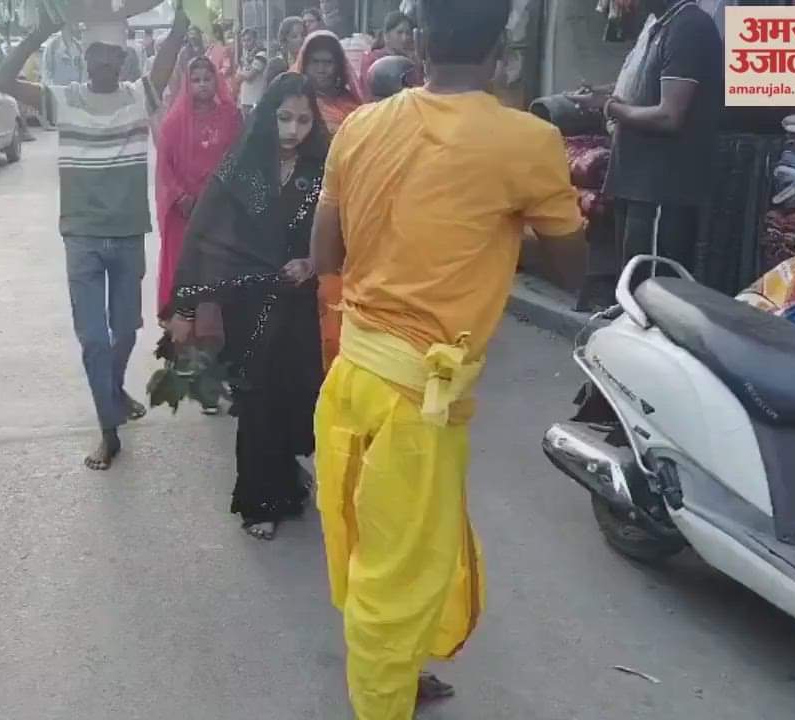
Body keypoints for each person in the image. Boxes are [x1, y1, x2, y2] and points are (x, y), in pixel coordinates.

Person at [310, 0, 584, 716]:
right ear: (504, 54)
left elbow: (323, 257)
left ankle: (397, 670)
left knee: (376, 543)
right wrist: (491, 227)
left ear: (419, 42)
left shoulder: (359, 127)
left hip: (352, 376)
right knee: (397, 573)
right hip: (415, 403)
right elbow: (569, 270)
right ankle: (382, 699)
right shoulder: (526, 141)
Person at [0, 10, 189, 470]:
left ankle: (114, 390)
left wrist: (182, 20)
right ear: (84, 59)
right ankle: (108, 430)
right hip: (81, 237)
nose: (105, 61)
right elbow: (2, 78)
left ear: (124, 60)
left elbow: (174, 40)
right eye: (96, 53)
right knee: (94, 339)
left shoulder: (141, 95)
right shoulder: (63, 100)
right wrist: (39, 30)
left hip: (126, 236)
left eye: (113, 54)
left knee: (124, 333)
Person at [168, 72, 328, 540]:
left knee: (293, 391)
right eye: (283, 118)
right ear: (267, 117)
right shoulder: (242, 170)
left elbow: (341, 232)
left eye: (303, 120)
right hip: (250, 302)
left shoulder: (320, 172)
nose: (293, 130)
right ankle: (259, 499)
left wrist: (312, 262)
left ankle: (285, 478)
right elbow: (203, 236)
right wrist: (186, 305)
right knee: (257, 395)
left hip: (298, 301)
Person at [568, 0, 721, 281]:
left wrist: (608, 106)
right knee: (634, 285)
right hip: (638, 185)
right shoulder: (659, 26)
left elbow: (669, 116)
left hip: (661, 189)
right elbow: (645, 89)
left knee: (653, 294)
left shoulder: (689, 27)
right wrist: (600, 96)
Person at [154, 55, 243, 415]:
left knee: (222, 302)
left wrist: (223, 200)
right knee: (192, 302)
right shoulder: (175, 122)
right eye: (197, 80)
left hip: (222, 220)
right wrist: (182, 199)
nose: (203, 85)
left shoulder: (232, 118)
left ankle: (227, 373)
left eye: (208, 78)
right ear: (187, 84)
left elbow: (241, 161)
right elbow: (165, 169)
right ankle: (205, 386)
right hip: (187, 221)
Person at [295, 30, 364, 374]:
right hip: (302, 208)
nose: (322, 70)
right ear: (304, 66)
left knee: (341, 288)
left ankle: (340, 364)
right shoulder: (294, 106)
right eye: (315, 63)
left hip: (348, 209)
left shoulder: (354, 107)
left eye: (328, 63)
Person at [359, 11, 422, 97]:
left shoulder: (412, 61)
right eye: (399, 33)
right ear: (386, 36)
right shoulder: (372, 59)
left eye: (408, 33)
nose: (405, 38)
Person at [264, 16, 305, 86]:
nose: (301, 40)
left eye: (303, 35)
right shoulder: (276, 64)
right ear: (285, 40)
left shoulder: (311, 62)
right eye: (294, 36)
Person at [236, 27, 268, 114]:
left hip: (256, 100)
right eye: (243, 41)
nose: (246, 43)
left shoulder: (261, 55)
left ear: (255, 40)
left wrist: (241, 74)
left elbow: (250, 76)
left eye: (248, 40)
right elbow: (237, 78)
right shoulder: (245, 57)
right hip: (245, 100)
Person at [206, 24, 235, 93]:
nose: (206, 36)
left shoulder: (225, 49)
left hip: (223, 85)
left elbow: (226, 68)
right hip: (212, 85)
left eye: (209, 33)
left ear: (217, 34)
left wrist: (215, 75)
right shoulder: (209, 49)